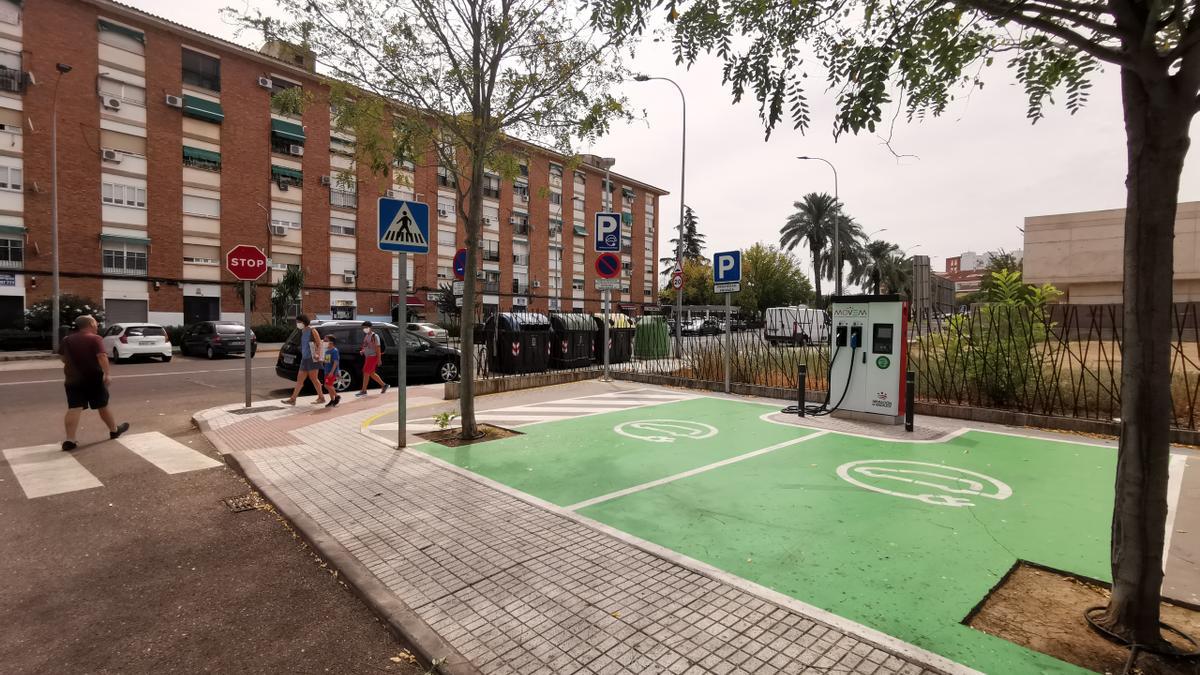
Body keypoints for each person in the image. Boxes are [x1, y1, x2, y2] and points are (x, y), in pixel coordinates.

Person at [59, 314, 129, 451]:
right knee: (102, 405)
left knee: (74, 408)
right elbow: (102, 356)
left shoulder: (67, 340)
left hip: (72, 379)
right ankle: (114, 430)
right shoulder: (95, 338)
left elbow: (62, 358)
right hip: (93, 378)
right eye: (96, 323)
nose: (97, 325)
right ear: (91, 323)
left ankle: (69, 440)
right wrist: (107, 374)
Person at [282, 314, 326, 406]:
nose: (297, 324)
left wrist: (317, 354)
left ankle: (321, 397)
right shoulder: (303, 331)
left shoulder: (312, 330)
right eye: (297, 322)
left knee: (314, 379)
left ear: (304, 322)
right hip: (304, 359)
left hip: (312, 358)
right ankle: (292, 399)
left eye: (299, 322)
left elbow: (319, 344)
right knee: (299, 380)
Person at [356, 320, 390, 397]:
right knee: (371, 373)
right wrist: (363, 351)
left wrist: (379, 359)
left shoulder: (374, 336)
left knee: (366, 373)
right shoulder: (367, 336)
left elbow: (378, 348)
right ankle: (384, 385)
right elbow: (366, 346)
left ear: (370, 327)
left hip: (372, 356)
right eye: (363, 327)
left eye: (365, 327)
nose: (364, 329)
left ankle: (364, 390)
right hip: (368, 357)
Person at [321, 334, 342, 408]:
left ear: (331, 342)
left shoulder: (334, 351)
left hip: (331, 372)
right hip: (327, 371)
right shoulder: (327, 351)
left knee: (327, 385)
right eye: (324, 340)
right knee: (328, 385)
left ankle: (336, 397)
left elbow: (336, 362)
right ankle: (332, 400)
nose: (324, 342)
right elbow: (327, 361)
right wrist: (319, 359)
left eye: (326, 341)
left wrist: (332, 372)